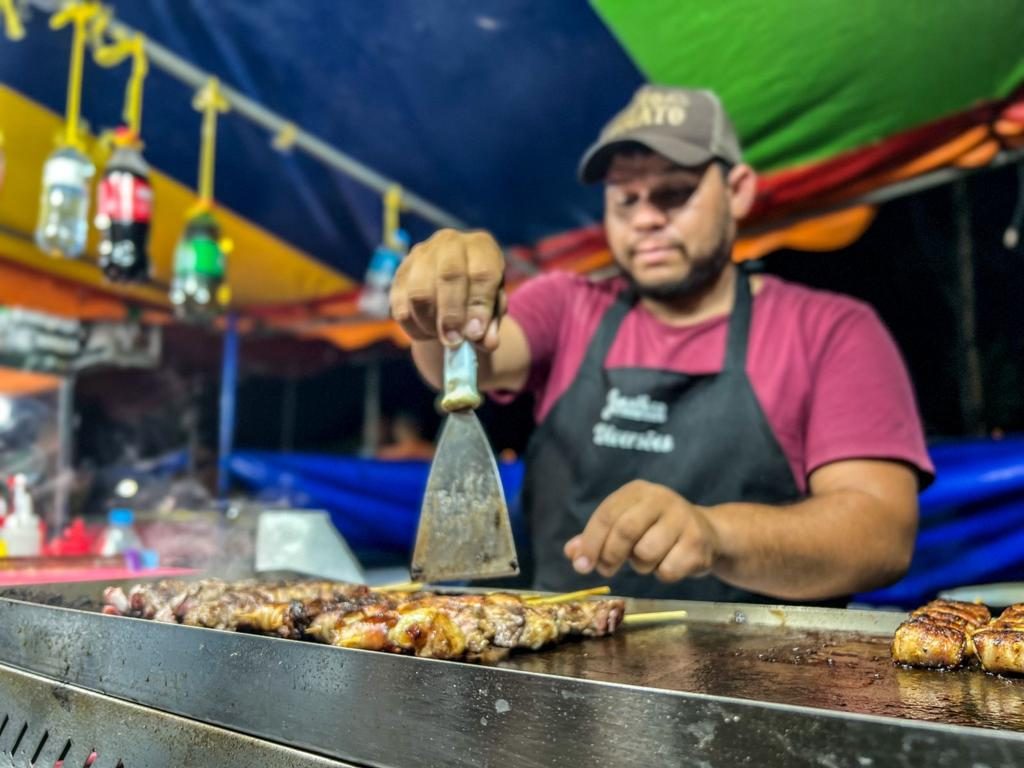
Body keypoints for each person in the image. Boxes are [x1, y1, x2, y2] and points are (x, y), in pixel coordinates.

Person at [390, 85, 933, 603]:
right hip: (564, 680)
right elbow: (463, 365)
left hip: (756, 678)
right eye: (626, 199)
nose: (647, 218)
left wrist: (714, 533)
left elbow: (880, 535)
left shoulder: (828, 329)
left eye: (674, 194)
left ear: (738, 190)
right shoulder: (570, 306)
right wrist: (445, 296)